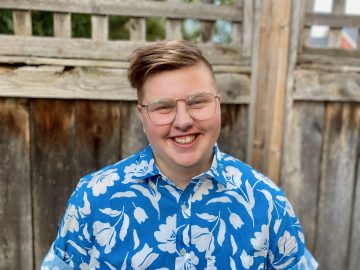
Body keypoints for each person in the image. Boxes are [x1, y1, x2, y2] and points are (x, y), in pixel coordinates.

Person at [41, 40, 318, 270]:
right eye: (163, 107)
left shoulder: (267, 203)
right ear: (142, 116)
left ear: (219, 105)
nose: (183, 121)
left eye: (198, 102)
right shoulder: (93, 199)